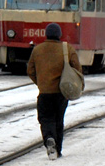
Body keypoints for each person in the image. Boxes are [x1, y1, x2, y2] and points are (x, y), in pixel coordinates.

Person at [26, 23, 83, 159]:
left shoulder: (37, 50)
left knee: (45, 119)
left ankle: (49, 139)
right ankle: (58, 149)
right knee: (59, 119)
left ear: (46, 34)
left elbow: (30, 71)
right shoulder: (67, 48)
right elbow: (77, 68)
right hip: (61, 92)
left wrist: (41, 83)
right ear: (59, 35)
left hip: (45, 92)